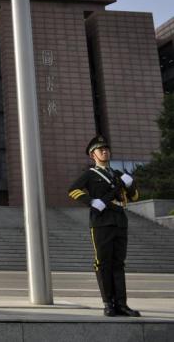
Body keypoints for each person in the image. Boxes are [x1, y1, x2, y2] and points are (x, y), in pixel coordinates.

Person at [67, 135, 141, 317]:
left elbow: (134, 197)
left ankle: (121, 304)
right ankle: (108, 303)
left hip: (120, 220)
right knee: (103, 262)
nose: (105, 151)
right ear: (93, 155)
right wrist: (91, 201)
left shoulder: (117, 174)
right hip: (101, 222)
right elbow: (72, 190)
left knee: (119, 263)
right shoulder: (90, 174)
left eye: (106, 149)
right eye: (101, 150)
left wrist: (130, 185)